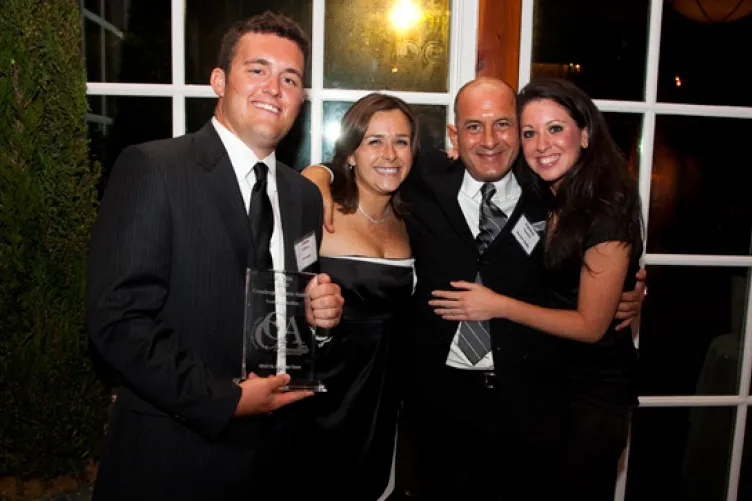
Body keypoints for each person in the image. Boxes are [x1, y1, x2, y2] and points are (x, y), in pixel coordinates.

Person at [303, 77, 645, 500]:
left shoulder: (549, 194)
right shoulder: (420, 178)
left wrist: (631, 289)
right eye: (473, 127)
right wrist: (314, 179)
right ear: (454, 135)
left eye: (503, 125)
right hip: (433, 405)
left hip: (527, 407)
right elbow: (358, 160)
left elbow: (588, 261)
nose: (488, 141)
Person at [86, 12, 343, 501]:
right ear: (219, 81)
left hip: (277, 459)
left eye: (290, 78)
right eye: (258, 70)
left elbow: (288, 312)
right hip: (173, 456)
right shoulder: (153, 168)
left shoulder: (303, 197)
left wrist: (318, 317)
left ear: (301, 97)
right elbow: (116, 321)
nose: (275, 87)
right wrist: (226, 401)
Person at [431, 78, 643, 500]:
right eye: (530, 132)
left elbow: (590, 325)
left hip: (592, 396)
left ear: (585, 133)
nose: (541, 143)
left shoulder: (606, 208)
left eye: (555, 128)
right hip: (545, 388)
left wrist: (498, 305)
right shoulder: (549, 195)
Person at [305, 93, 417, 500]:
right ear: (351, 152)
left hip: (384, 398)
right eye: (374, 141)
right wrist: (318, 173)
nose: (390, 153)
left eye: (401, 141)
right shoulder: (319, 211)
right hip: (322, 396)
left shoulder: (411, 218)